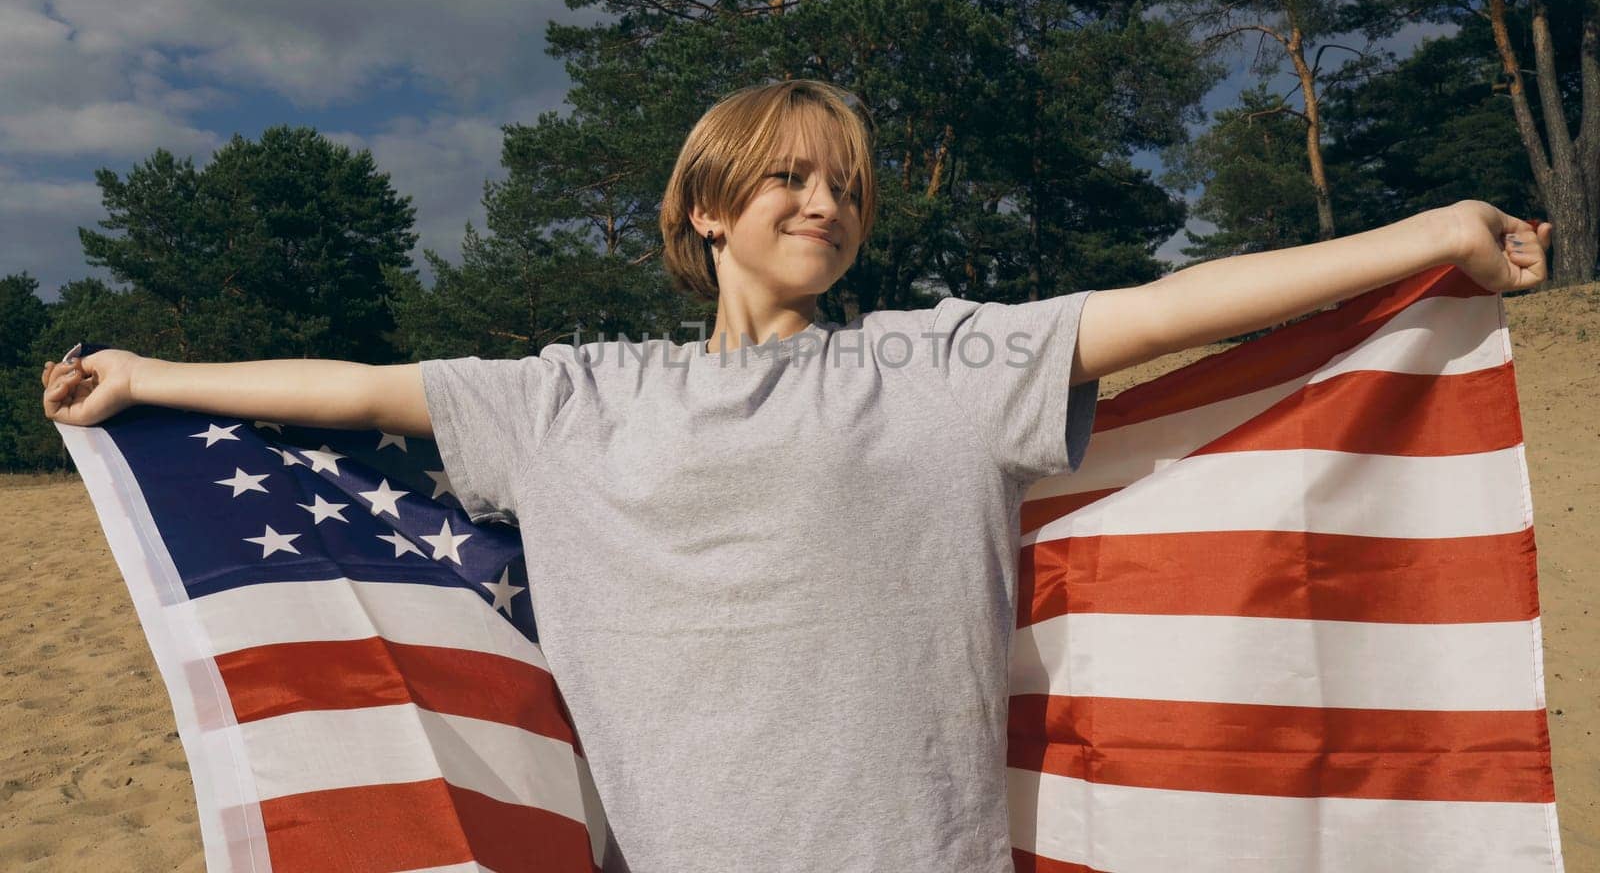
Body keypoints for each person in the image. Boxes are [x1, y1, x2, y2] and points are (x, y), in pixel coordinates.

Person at [41, 79, 1553, 872]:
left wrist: (1429, 231)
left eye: (844, 183)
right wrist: (149, 379)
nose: (823, 201)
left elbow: (1172, 304)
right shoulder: (571, 398)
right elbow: (361, 390)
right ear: (706, 206)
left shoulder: (943, 369)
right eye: (788, 175)